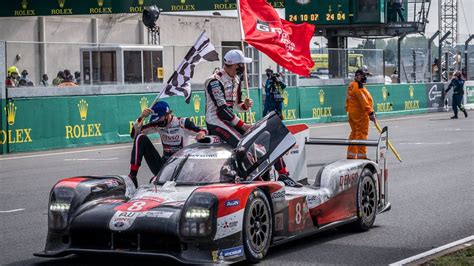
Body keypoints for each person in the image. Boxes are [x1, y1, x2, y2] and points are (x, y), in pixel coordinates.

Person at [204, 49, 298, 187]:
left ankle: (283, 174)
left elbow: (235, 106)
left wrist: (244, 106)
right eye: (242, 64)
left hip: (230, 120)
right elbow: (222, 110)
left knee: (265, 139)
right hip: (216, 121)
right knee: (243, 147)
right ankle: (254, 181)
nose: (244, 67)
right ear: (235, 64)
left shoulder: (236, 79)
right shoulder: (214, 81)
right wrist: (242, 125)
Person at [129, 101, 207, 187]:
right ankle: (132, 176)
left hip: (181, 167)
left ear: (167, 115)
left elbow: (202, 131)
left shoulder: (182, 122)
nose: (157, 122)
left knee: (153, 181)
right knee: (140, 138)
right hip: (163, 166)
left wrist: (201, 133)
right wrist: (141, 117)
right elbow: (134, 134)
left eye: (159, 119)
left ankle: (162, 179)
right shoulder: (156, 124)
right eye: (156, 120)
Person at [346, 69, 376, 159]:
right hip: (360, 114)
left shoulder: (351, 85)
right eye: (363, 76)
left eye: (365, 76)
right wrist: (370, 112)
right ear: (357, 76)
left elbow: (347, 100)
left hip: (352, 113)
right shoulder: (358, 87)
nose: (365, 78)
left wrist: (348, 109)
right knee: (362, 134)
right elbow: (364, 101)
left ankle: (351, 155)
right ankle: (362, 156)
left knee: (354, 133)